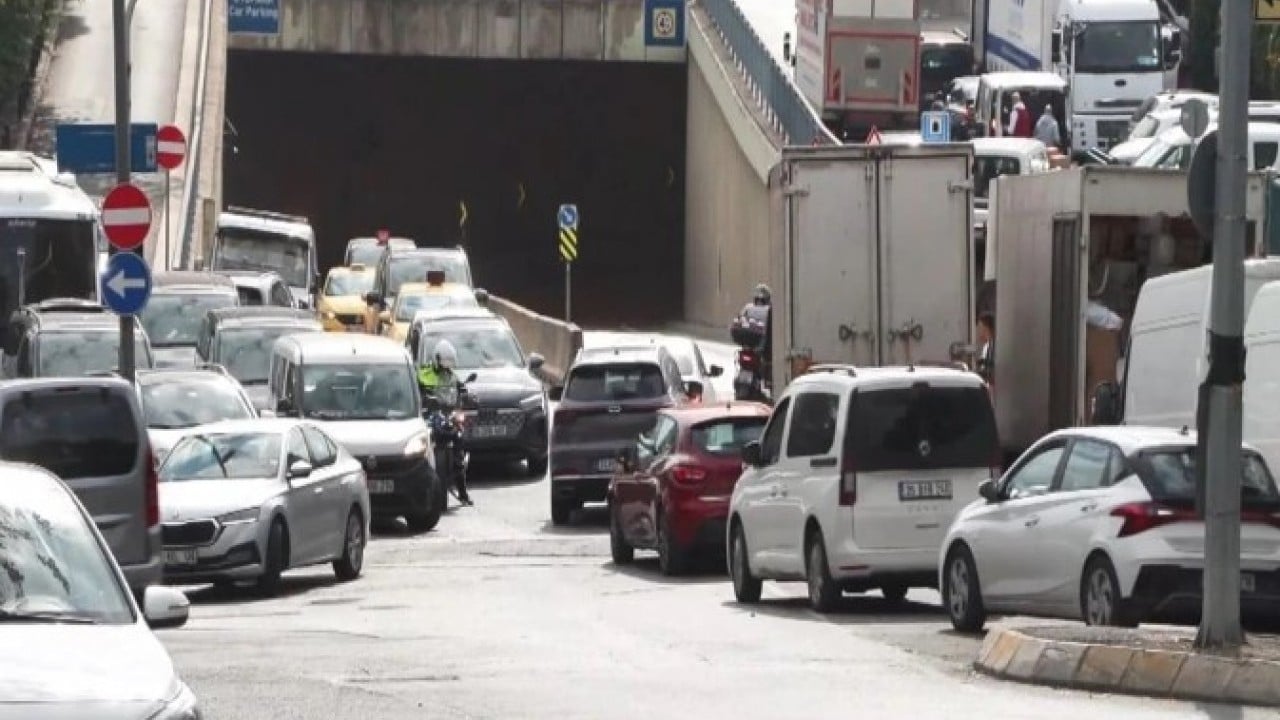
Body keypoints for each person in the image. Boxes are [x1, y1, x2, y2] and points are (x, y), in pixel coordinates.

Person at [417, 339, 472, 505]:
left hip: (449, 413)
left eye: (449, 362)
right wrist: (425, 395)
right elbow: (417, 386)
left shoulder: (451, 376)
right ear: (437, 358)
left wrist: (466, 394)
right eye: (444, 362)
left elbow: (460, 387)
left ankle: (462, 492)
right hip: (432, 415)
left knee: (460, 443)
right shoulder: (424, 373)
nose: (446, 365)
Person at [975, 311, 995, 380]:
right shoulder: (986, 347)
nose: (977, 332)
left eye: (980, 328)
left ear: (986, 329)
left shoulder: (994, 347)